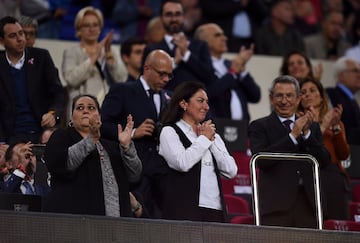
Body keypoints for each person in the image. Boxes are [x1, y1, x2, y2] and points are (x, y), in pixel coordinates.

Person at [248, 75, 330, 228]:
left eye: (289, 96)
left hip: (310, 205)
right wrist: (293, 135)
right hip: (276, 207)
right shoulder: (259, 126)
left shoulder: (312, 127)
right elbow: (262, 161)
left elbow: (324, 161)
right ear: (272, 99)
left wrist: (306, 134)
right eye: (279, 96)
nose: (284, 101)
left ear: (298, 99)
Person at [43, 94, 142, 217]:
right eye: (80, 108)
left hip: (115, 221)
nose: (85, 111)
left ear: (99, 117)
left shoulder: (111, 146)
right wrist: (91, 140)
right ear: (71, 119)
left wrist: (127, 147)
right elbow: (62, 164)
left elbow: (135, 175)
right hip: (77, 220)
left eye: (91, 108)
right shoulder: (61, 137)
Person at [101, 49, 173, 218]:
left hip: (163, 175)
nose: (166, 80)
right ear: (147, 68)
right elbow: (103, 125)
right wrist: (133, 132)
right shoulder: (123, 90)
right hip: (135, 174)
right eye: (162, 74)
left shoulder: (170, 97)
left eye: (169, 75)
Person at [159, 81, 237, 222]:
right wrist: (204, 139)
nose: (206, 107)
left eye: (207, 102)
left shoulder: (213, 135)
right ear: (184, 104)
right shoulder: (169, 131)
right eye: (200, 101)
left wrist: (211, 141)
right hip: (183, 210)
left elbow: (231, 171)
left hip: (216, 209)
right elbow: (182, 163)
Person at [0, 16, 66, 145]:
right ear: (2, 41)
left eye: (21, 33)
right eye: (13, 36)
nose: (20, 39)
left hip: (40, 131)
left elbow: (59, 94)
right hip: (8, 135)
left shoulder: (41, 57)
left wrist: (53, 114)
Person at [62, 6, 127, 120]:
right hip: (80, 110)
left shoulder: (110, 51)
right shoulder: (71, 52)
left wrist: (108, 54)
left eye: (95, 25)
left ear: (100, 27)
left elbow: (121, 80)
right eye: (86, 25)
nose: (91, 29)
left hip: (105, 110)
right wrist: (93, 57)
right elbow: (71, 79)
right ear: (79, 29)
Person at [298, 77, 350, 220]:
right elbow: (307, 149)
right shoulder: (298, 122)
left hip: (333, 176)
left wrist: (337, 127)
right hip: (310, 177)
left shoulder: (335, 122)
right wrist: (320, 127)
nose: (307, 94)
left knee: (336, 223)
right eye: (303, 92)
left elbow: (344, 154)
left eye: (312, 90)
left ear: (321, 98)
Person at [142, 0, 216, 91]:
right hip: (165, 103)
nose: (174, 19)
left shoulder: (200, 46)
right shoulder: (152, 50)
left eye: (177, 14)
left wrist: (186, 55)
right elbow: (145, 82)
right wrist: (174, 63)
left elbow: (210, 78)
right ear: (161, 18)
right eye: (169, 14)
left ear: (183, 16)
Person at [194, 23, 261, 121]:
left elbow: (255, 96)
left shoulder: (231, 64)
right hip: (214, 128)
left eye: (223, 34)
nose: (224, 38)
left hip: (242, 129)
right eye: (217, 35)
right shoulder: (199, 66)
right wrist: (232, 72)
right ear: (203, 41)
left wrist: (242, 70)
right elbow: (209, 93)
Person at [200, 0, 268, 52]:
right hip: (227, 41)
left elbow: (264, 14)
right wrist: (240, 4)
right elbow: (212, 9)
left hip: (249, 42)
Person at [326, 57, 360, 145]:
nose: (359, 75)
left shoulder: (352, 99)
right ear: (341, 76)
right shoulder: (331, 95)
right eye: (355, 71)